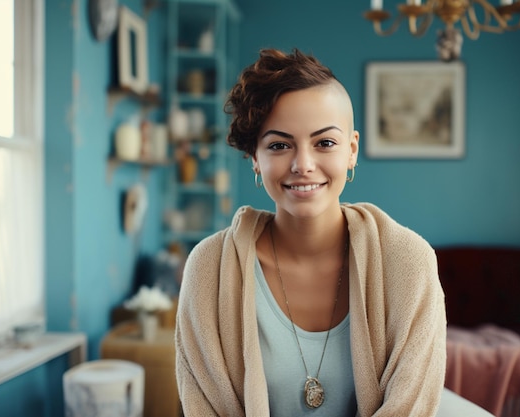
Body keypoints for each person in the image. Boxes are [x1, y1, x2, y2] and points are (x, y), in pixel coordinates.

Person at [174, 48, 447, 416]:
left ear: (351, 150)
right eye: (279, 145)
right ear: (255, 157)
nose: (303, 165)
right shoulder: (208, 268)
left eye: (325, 143)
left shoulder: (409, 263)